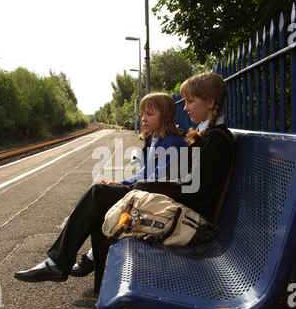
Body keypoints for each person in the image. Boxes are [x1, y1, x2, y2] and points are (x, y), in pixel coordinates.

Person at [14, 72, 234, 293]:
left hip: (192, 222)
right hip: (178, 207)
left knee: (98, 194)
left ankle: (59, 264)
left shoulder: (215, 139)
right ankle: (96, 283)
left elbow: (196, 192)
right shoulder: (207, 136)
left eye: (190, 101)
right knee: (102, 202)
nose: (185, 108)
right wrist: (134, 186)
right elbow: (185, 182)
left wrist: (138, 188)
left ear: (210, 102)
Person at [70, 92, 187, 278]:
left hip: (157, 201)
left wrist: (126, 189)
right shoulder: (153, 139)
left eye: (149, 114)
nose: (143, 119)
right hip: (146, 191)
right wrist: (122, 183)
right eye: (142, 114)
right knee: (100, 201)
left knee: (98, 194)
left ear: (166, 116)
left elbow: (158, 179)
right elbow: (144, 173)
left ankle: (72, 259)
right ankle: (93, 270)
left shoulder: (173, 142)